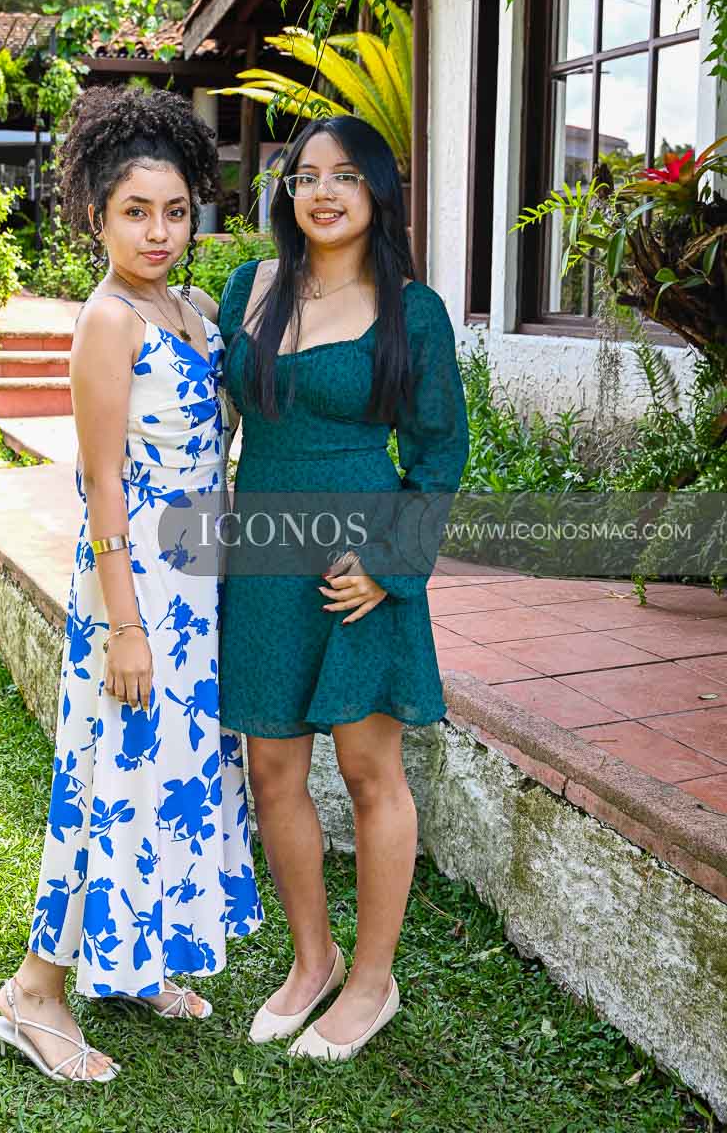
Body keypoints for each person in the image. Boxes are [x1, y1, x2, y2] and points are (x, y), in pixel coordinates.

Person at [0, 84, 263, 1084]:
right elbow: (100, 479)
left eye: (175, 210)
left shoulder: (190, 309)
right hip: (135, 584)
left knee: (171, 779)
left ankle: (136, 960)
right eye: (135, 211)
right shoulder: (107, 321)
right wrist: (128, 627)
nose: (158, 231)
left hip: (196, 584)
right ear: (95, 213)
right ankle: (35, 993)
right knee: (109, 781)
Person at [216, 115, 469, 1062]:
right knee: (272, 771)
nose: (322, 192)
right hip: (265, 553)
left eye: (346, 175)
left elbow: (440, 451)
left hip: (356, 566)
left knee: (369, 773)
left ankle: (372, 982)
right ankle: (311, 959)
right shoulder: (250, 288)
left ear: (378, 193)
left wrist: (391, 566)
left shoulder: (412, 309)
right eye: (306, 175)